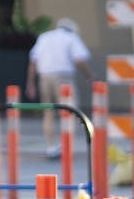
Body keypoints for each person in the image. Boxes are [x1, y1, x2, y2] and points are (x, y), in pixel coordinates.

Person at [26, 17, 93, 159]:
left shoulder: (44, 37)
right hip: (64, 78)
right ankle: (66, 145)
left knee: (48, 113)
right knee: (69, 112)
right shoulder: (71, 37)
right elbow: (79, 59)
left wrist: (30, 83)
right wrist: (89, 76)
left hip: (44, 77)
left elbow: (33, 60)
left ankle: (51, 147)